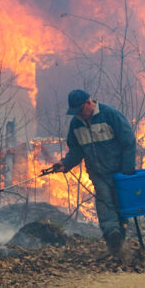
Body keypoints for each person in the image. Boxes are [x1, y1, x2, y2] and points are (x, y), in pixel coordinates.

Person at [52, 89, 136, 257]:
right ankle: (112, 234)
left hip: (119, 171)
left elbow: (129, 141)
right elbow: (76, 150)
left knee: (120, 206)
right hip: (97, 173)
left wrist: (127, 171)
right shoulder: (76, 124)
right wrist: (65, 164)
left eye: (80, 111)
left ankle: (119, 242)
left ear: (89, 103)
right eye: (75, 112)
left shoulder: (110, 115)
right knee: (104, 200)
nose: (79, 115)